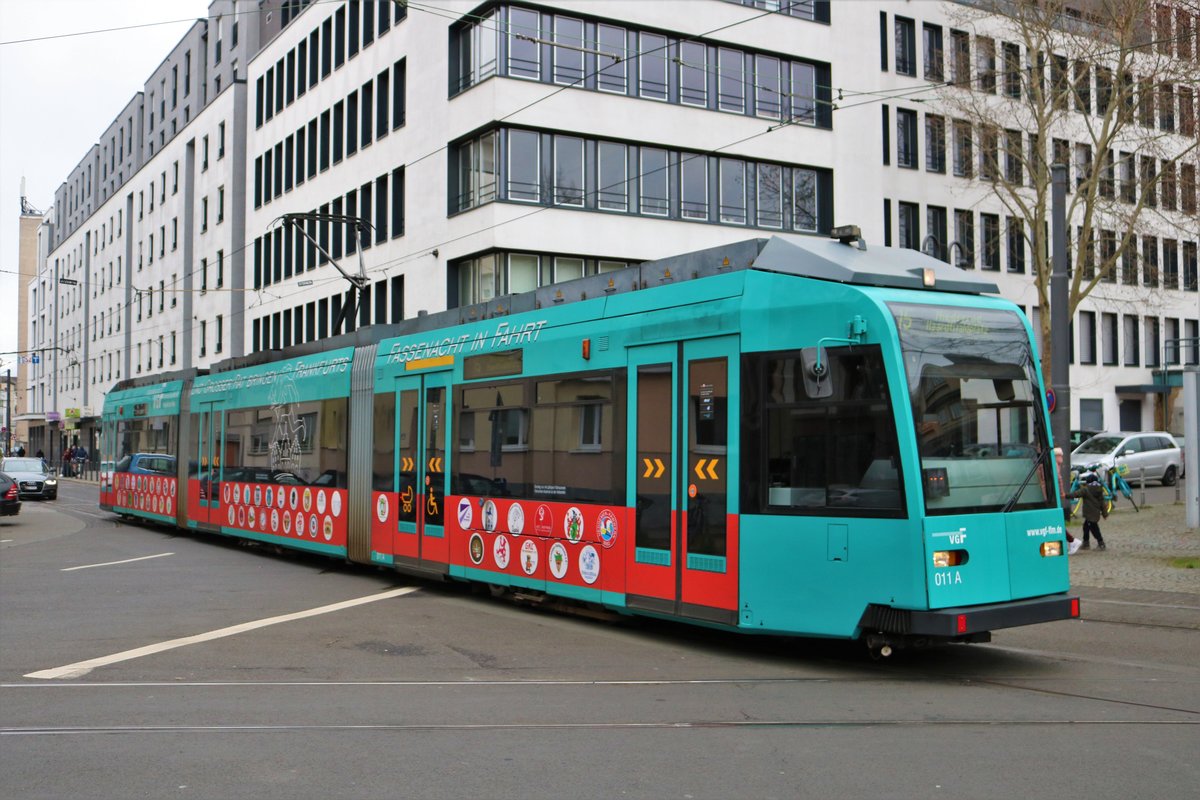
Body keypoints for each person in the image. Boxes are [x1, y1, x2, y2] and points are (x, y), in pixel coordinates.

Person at [1067, 472, 1108, 551]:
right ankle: (1086, 542)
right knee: (1086, 527)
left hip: (1089, 514)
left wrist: (1066, 495)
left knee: (1094, 529)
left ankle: (1101, 543)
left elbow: (1076, 494)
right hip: (1095, 514)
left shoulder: (1086, 490)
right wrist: (1105, 514)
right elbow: (1102, 503)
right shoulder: (1099, 490)